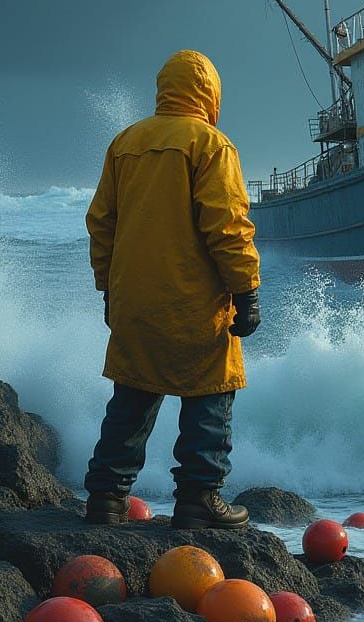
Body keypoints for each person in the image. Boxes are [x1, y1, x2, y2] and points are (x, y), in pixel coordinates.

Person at [83, 50, 261, 529]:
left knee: (132, 398)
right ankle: (199, 499)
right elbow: (227, 227)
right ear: (209, 93)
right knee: (209, 394)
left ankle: (105, 498)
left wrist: (107, 289)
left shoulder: (126, 143)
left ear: (165, 89)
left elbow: (101, 224)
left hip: (133, 301)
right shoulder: (211, 144)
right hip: (195, 305)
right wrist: (246, 293)